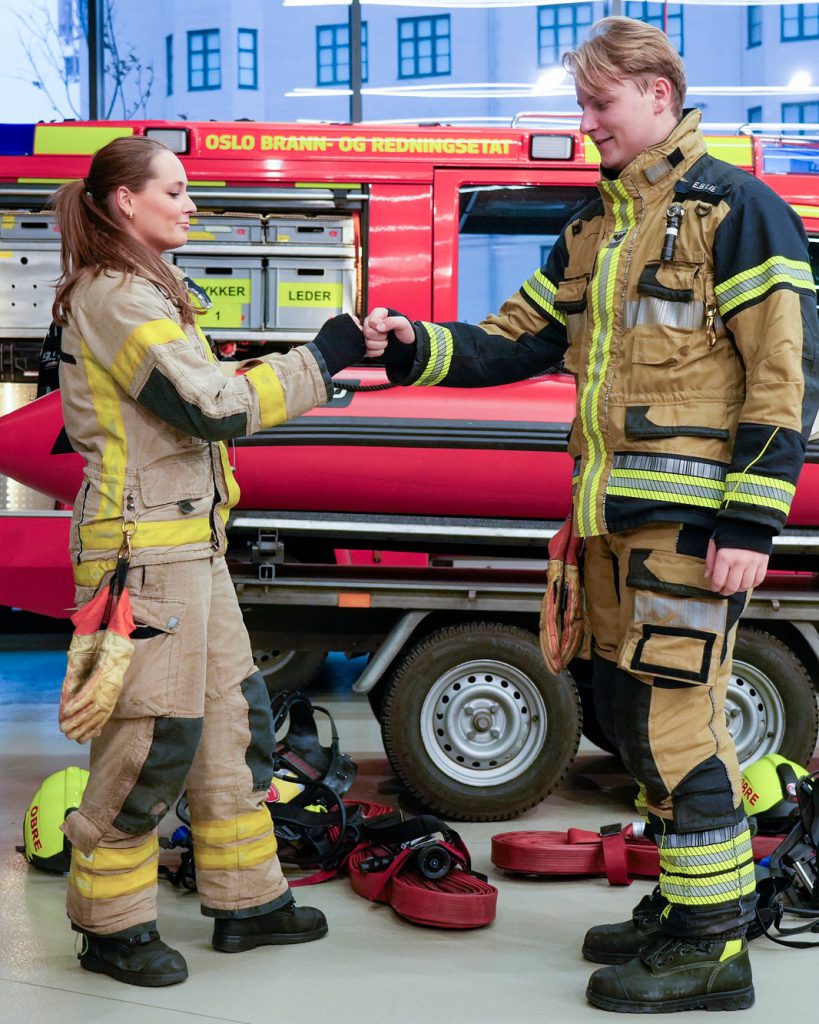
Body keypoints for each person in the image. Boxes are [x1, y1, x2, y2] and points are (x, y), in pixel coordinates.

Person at [363, 16, 819, 1014]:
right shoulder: (596, 226)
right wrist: (410, 348)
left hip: (690, 525)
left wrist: (752, 521)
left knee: (675, 721)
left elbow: (783, 369)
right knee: (626, 720)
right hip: (609, 524)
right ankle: (685, 902)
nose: (586, 123)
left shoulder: (738, 209)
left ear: (659, 93)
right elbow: (514, 338)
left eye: (599, 103)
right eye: (580, 104)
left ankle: (711, 946)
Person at [51, 134, 366, 987]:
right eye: (177, 190)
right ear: (126, 202)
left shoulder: (151, 287)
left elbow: (204, 390)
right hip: (142, 556)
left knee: (233, 722)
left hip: (190, 546)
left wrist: (309, 368)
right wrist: (320, 359)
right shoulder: (117, 296)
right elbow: (212, 406)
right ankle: (110, 924)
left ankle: (247, 901)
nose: (192, 205)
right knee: (150, 739)